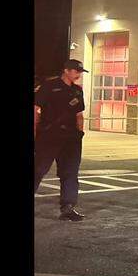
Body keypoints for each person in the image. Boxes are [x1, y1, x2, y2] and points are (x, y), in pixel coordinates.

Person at [34, 59, 88, 221]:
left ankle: (68, 208)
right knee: (38, 170)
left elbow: (79, 114)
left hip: (71, 139)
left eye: (80, 72)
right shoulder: (49, 87)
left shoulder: (78, 91)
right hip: (49, 136)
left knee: (70, 173)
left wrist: (80, 133)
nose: (78, 74)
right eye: (76, 71)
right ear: (66, 70)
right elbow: (36, 109)